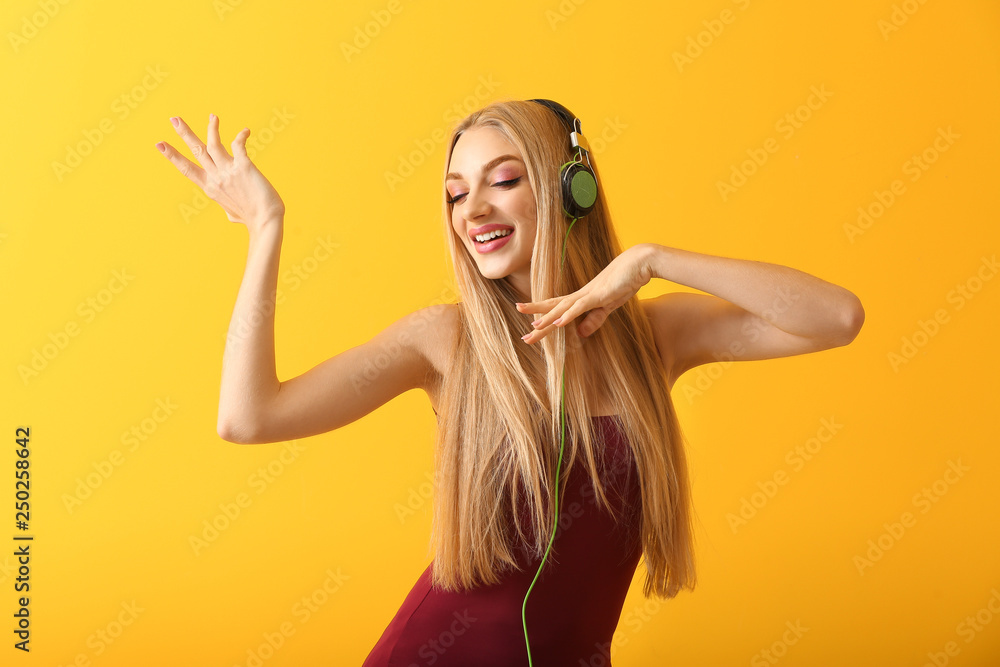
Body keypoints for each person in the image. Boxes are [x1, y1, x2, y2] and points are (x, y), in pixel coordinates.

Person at [154, 100, 864, 665]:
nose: (473, 211)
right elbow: (248, 416)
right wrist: (265, 229)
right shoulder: (444, 339)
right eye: (456, 194)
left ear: (571, 188)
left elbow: (835, 316)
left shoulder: (655, 340)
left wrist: (650, 260)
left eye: (503, 179)